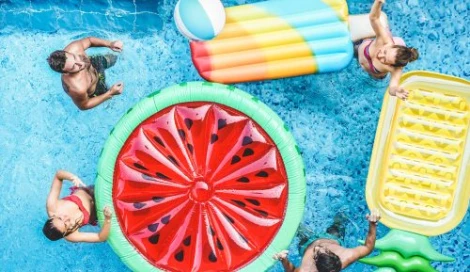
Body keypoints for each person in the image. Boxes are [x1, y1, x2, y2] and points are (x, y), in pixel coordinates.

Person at [272, 210, 381, 272]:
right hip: (332, 238)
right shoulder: (346, 256)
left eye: (316, 253)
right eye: (324, 249)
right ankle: (340, 218)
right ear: (333, 254)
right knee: (340, 219)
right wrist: (373, 224)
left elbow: (291, 271)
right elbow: (368, 247)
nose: (318, 246)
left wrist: (283, 259)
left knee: (292, 226)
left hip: (306, 244)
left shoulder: (307, 270)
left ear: (315, 264)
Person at [355, 0, 419, 101]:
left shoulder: (396, 69)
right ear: (391, 45)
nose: (380, 56)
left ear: (392, 65)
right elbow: (374, 18)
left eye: (385, 60)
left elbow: (392, 87)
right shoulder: (385, 40)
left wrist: (395, 91)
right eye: (384, 52)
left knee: (376, 79)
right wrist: (378, 3)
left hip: (373, 73)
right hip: (359, 50)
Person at [47, 37, 125, 110]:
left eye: (75, 57)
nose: (81, 63)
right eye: (74, 67)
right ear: (66, 73)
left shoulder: (74, 48)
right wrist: (110, 93)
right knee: (112, 103)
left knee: (115, 57)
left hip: (94, 64)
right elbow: (84, 105)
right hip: (97, 88)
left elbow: (89, 41)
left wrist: (110, 44)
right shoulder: (77, 87)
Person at [43, 170, 112, 243]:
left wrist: (72, 177)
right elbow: (100, 237)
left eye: (60, 218)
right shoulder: (72, 236)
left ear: (53, 216)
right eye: (66, 224)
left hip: (90, 191)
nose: (66, 218)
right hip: (97, 211)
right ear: (65, 233)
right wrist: (108, 219)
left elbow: (58, 175)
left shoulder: (52, 206)